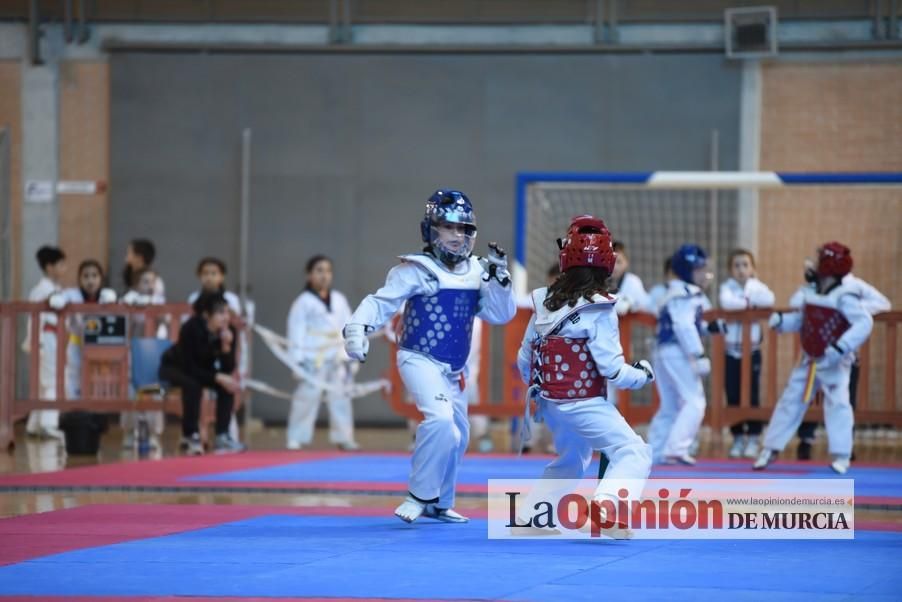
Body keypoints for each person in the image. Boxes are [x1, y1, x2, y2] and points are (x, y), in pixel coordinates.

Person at [343, 189, 516, 523]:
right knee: (441, 424)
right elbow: (381, 302)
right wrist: (357, 327)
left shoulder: (480, 271)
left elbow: (500, 315)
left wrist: (500, 281)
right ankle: (419, 495)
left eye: (463, 230)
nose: (457, 237)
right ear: (431, 230)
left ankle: (440, 502)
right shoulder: (416, 269)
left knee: (460, 436)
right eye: (449, 228)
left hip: (455, 369)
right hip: (419, 358)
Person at [516, 215, 655, 536]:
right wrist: (643, 374)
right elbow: (612, 370)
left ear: (564, 257)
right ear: (607, 262)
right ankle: (607, 506)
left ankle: (532, 518)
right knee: (633, 451)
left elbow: (525, 359)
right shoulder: (600, 308)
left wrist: (546, 390)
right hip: (584, 402)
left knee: (573, 457)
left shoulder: (543, 301)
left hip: (549, 402)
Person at [754, 243, 874, 475]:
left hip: (834, 362)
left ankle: (842, 455)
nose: (814, 265)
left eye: (820, 261)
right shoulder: (810, 292)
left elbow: (864, 323)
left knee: (838, 404)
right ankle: (770, 449)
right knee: (790, 400)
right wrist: (782, 323)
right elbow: (803, 321)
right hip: (808, 359)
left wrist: (841, 347)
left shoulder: (845, 296)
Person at [792, 264, 891, 460]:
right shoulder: (817, 285)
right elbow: (797, 302)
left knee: (845, 402)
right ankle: (805, 440)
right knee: (809, 397)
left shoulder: (855, 285)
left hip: (846, 357)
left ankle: (845, 446)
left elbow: (883, 303)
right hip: (817, 354)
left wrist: (853, 310)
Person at [646, 244, 719, 465]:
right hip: (678, 352)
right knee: (695, 402)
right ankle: (676, 448)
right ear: (688, 270)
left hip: (663, 351)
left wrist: (709, 328)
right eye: (698, 270)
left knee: (669, 405)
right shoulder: (687, 293)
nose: (703, 275)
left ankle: (655, 452)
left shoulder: (673, 292)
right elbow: (683, 325)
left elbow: (685, 323)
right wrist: (698, 355)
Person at [286, 255, 359, 451]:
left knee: (341, 398)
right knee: (306, 398)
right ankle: (296, 436)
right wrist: (297, 361)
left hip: (337, 355)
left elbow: (350, 326)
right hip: (312, 356)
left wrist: (352, 356)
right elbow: (296, 331)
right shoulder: (302, 302)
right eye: (319, 270)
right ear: (309, 275)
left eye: (327, 271)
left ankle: (344, 437)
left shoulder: (339, 299)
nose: (324, 275)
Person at [158, 291, 245, 455]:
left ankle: (222, 436)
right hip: (176, 368)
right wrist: (217, 377)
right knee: (192, 385)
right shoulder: (190, 328)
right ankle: (190, 436)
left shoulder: (229, 331)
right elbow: (190, 367)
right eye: (220, 313)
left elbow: (227, 369)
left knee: (227, 386)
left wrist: (226, 347)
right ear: (206, 314)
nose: (226, 317)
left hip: (204, 371)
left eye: (227, 312)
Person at [718, 249, 775, 459]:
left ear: (752, 268)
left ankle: (753, 437)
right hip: (731, 352)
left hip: (752, 352)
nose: (741, 270)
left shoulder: (758, 287)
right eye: (736, 265)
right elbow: (727, 303)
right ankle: (737, 438)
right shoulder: (727, 287)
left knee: (751, 394)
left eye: (745, 265)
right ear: (730, 269)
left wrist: (746, 299)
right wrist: (749, 303)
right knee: (732, 394)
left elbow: (769, 299)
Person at [187, 257, 246, 443]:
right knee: (197, 392)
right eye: (205, 273)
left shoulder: (231, 300)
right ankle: (197, 434)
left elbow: (236, 327)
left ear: (222, 276)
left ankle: (226, 435)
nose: (209, 277)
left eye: (214, 273)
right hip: (200, 356)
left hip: (224, 353)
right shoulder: (193, 300)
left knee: (228, 388)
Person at [50, 260, 118, 400]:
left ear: (101, 278)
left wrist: (114, 301)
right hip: (76, 344)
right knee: (74, 377)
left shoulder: (108, 296)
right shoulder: (71, 294)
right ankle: (75, 413)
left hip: (100, 346)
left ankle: (98, 415)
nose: (90, 280)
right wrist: (56, 299)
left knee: (99, 379)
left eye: (94, 275)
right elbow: (56, 298)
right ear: (79, 279)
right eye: (86, 276)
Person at [23, 246, 67, 440]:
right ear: (49, 267)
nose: (64, 268)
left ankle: (35, 423)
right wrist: (37, 342)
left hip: (51, 339)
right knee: (53, 382)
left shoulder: (53, 289)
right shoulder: (42, 290)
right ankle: (48, 424)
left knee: (43, 384)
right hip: (45, 339)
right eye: (61, 264)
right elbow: (35, 320)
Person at [120, 267, 167, 450]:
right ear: (137, 284)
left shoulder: (160, 302)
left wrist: (151, 304)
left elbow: (165, 320)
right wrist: (131, 305)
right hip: (132, 352)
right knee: (131, 392)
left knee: (154, 393)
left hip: (154, 354)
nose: (148, 285)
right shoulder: (129, 300)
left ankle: (153, 433)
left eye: (152, 281)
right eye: (144, 281)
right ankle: (130, 432)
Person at [610, 241, 652, 316]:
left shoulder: (633, 281)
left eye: (619, 262)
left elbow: (646, 306)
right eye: (611, 262)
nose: (614, 267)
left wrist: (630, 302)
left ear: (626, 262)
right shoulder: (600, 281)